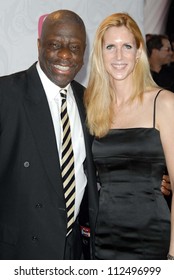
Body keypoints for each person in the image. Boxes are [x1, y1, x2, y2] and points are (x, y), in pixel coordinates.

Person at [0, 9, 98, 260]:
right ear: (39, 45)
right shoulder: (6, 94)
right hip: (17, 252)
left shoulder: (89, 101)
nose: (65, 55)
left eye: (75, 47)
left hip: (72, 252)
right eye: (55, 45)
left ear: (84, 53)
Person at [84, 12, 174, 260]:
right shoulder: (93, 107)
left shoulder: (164, 102)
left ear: (138, 53)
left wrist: (173, 256)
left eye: (127, 46)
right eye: (110, 47)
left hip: (154, 235)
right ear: (100, 54)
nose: (119, 56)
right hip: (104, 236)